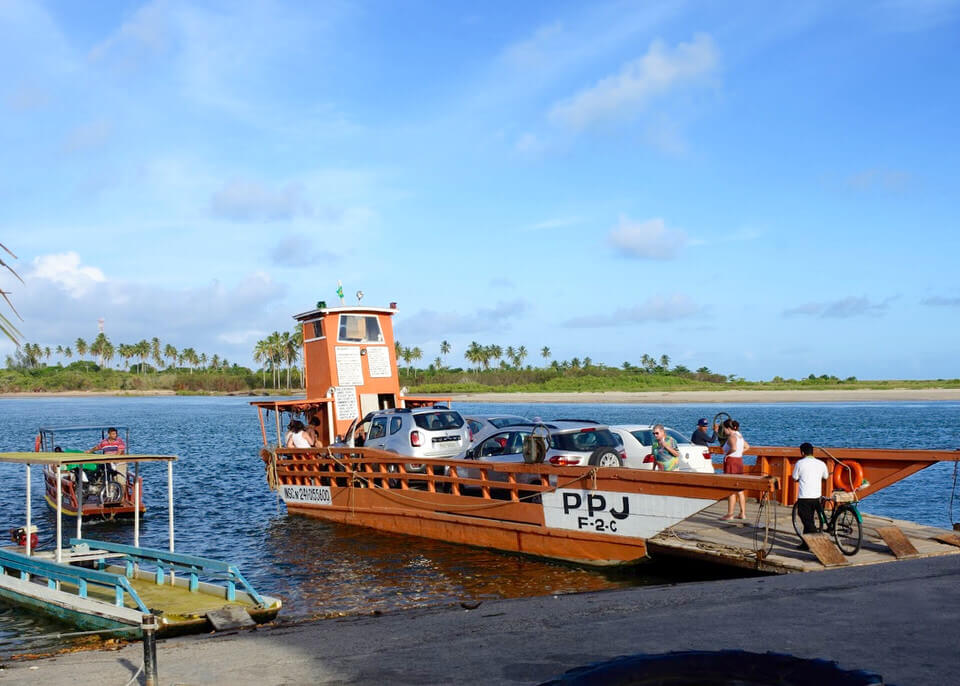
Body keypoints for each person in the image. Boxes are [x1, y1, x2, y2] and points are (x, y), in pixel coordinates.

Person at [792, 442, 830, 550]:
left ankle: (818, 540)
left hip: (805, 497)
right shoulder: (821, 463)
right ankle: (805, 543)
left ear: (802, 452)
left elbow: (795, 477)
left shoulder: (800, 463)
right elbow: (826, 476)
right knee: (810, 519)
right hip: (817, 497)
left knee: (806, 519)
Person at [720, 418, 749, 520]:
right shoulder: (739, 435)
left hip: (732, 462)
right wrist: (739, 453)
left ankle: (730, 514)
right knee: (739, 489)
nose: (724, 431)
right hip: (739, 461)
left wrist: (727, 455)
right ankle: (742, 513)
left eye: (724, 428)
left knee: (731, 488)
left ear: (728, 428)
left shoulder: (731, 436)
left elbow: (734, 448)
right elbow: (747, 447)